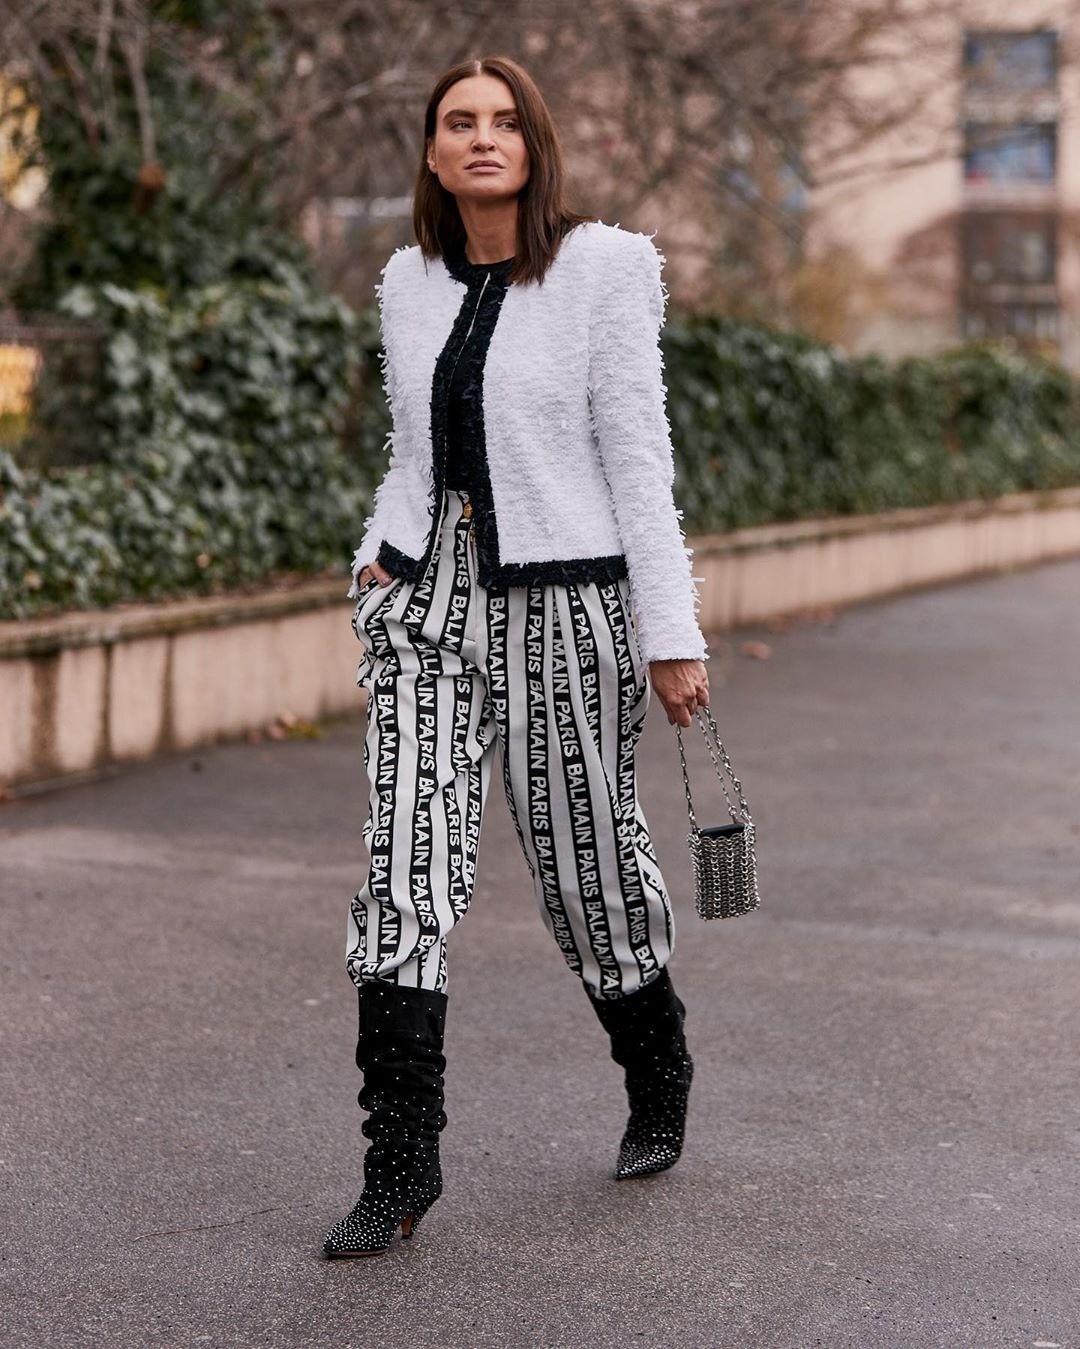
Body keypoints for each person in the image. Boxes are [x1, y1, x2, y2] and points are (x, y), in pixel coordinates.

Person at [322, 54, 710, 1260]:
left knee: (587, 869)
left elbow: (636, 457)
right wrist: (380, 556)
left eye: (503, 121)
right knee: (403, 866)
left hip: (570, 602)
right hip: (427, 601)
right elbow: (414, 449)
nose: (482, 137)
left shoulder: (605, 268)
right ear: (433, 152)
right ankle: (400, 1162)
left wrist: (671, 633)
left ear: (534, 144)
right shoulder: (408, 281)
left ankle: (656, 1060)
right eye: (459, 122)